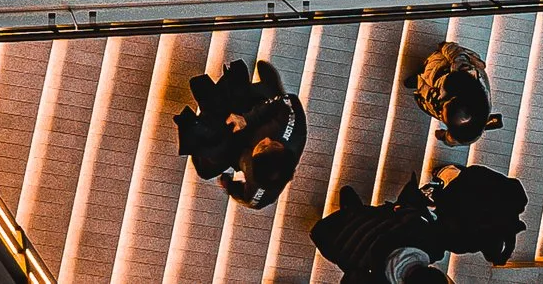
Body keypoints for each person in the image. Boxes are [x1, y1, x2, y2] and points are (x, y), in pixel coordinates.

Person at [174, 59, 308, 207]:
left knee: (205, 170)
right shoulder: (294, 131)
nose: (268, 140)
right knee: (244, 93)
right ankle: (270, 87)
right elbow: (289, 101)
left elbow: (249, 200)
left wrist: (229, 186)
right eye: (275, 144)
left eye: (263, 147)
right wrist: (248, 118)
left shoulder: (261, 190)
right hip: (257, 114)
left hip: (238, 149)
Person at [311, 185, 449, 284]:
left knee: (364, 214)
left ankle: (351, 208)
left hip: (367, 219)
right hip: (338, 243)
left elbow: (406, 212)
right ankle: (348, 211)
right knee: (321, 234)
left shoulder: (430, 244)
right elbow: (351, 278)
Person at [423, 163, 527, 262]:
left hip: (466, 183)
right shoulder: (470, 241)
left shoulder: (517, 200)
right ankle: (440, 181)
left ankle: (445, 176)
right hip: (458, 193)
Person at [414, 42, 503, 146]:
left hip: (435, 83)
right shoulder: (466, 72)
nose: (442, 112)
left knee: (423, 96)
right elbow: (457, 54)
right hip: (443, 69)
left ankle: (418, 78)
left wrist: (445, 138)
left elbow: (453, 139)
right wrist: (445, 46)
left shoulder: (465, 134)